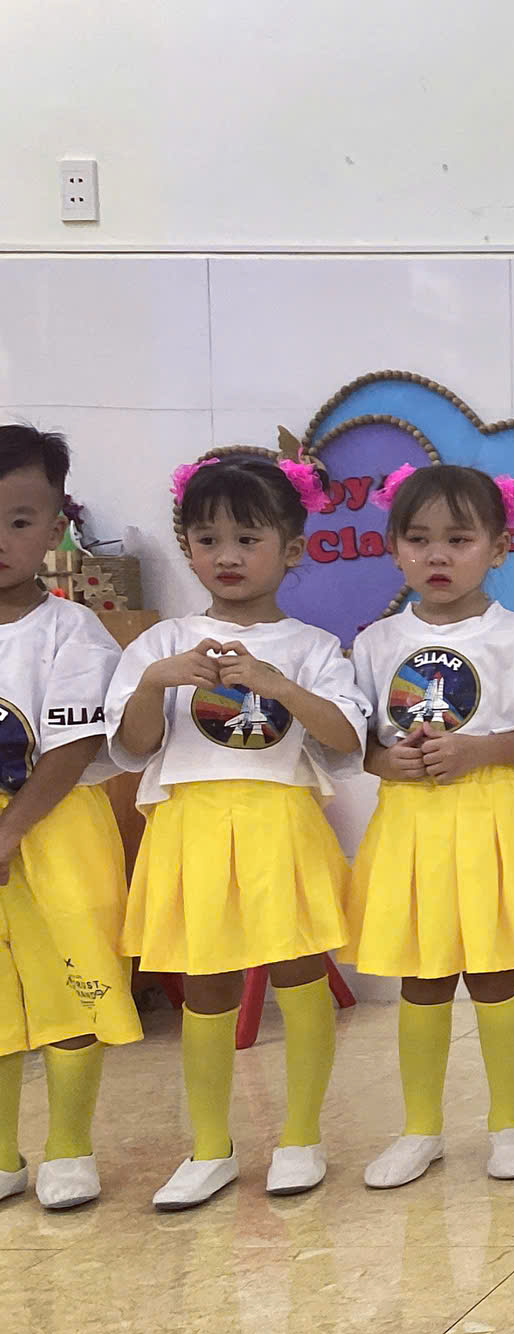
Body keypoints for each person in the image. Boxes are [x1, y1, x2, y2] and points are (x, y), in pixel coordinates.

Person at [112, 455, 366, 1211]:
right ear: (187, 548)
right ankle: (209, 1149)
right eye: (207, 539)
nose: (226, 556)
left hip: (280, 823)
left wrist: (279, 686)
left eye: (248, 539)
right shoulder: (161, 644)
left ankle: (302, 1138)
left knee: (299, 971)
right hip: (189, 825)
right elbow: (131, 746)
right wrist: (155, 682)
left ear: (291, 548)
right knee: (205, 984)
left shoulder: (312, 646)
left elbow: (347, 740)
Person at [348, 464, 514, 1191]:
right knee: (422, 977)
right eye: (418, 539)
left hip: (489, 819)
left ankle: (511, 1124)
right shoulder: (376, 642)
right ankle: (420, 1129)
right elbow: (357, 742)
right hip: (410, 825)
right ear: (393, 548)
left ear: (498, 548)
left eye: (459, 538)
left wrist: (479, 751)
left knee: (494, 972)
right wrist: (387, 762)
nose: (437, 555)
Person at [0, 426, 140, 1212]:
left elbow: (70, 746)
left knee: (69, 983)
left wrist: (11, 831)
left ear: (54, 531)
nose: (0, 539)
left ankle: (68, 1148)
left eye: (19, 521)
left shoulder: (70, 630)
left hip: (54, 830)